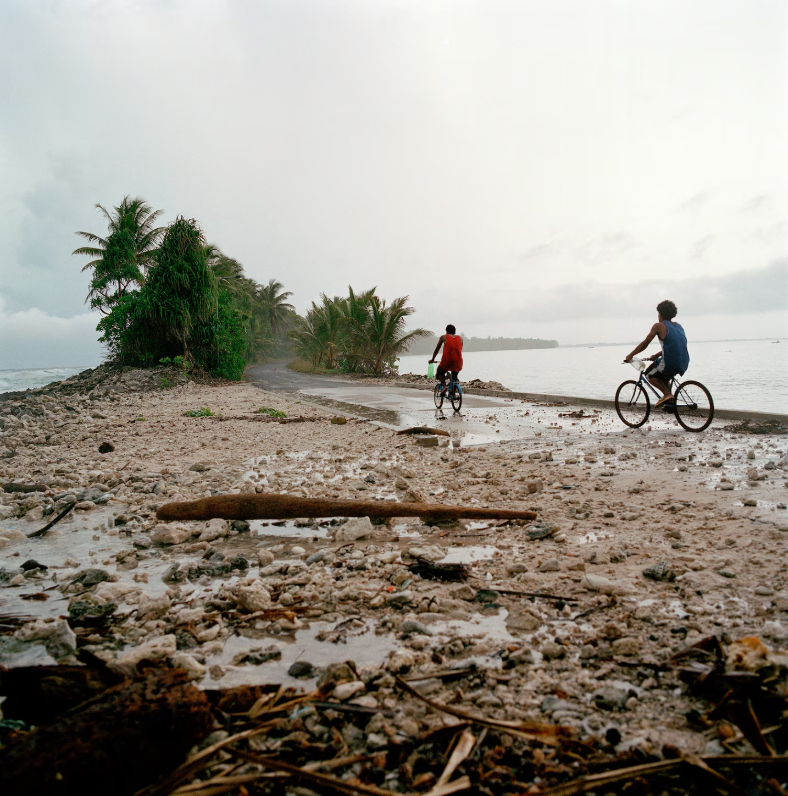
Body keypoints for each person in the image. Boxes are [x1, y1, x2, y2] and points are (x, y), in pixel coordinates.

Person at [624, 300, 689, 407]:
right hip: (684, 361)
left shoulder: (658, 326)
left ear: (661, 315)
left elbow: (645, 343)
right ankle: (670, 403)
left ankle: (667, 394)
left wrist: (630, 355)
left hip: (670, 362)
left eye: (658, 314)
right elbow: (676, 346)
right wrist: (657, 355)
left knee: (649, 374)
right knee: (663, 377)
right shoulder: (679, 326)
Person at [429, 324, 463, 395]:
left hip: (447, 360)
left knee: (439, 372)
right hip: (458, 361)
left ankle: (444, 386)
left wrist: (432, 359)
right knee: (454, 377)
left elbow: (437, 349)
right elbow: (459, 350)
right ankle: (453, 394)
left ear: (446, 331)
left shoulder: (443, 337)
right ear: (455, 331)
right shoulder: (460, 339)